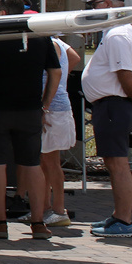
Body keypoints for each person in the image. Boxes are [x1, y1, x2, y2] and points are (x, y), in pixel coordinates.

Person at [0, 0, 59, 240]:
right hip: (30, 110)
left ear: (3, 12)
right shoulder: (41, 37)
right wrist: (45, 104)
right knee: (32, 164)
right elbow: (56, 72)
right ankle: (39, 222)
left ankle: (0, 222)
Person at [82, 0, 132, 238]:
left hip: (113, 105)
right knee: (114, 164)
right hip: (111, 105)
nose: (92, 9)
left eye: (95, 4)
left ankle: (124, 220)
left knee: (118, 164)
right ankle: (118, 216)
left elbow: (125, 74)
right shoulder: (116, 32)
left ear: (109, 5)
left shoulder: (118, 34)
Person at [32, 35, 82, 226]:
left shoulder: (49, 42)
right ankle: (43, 208)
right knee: (43, 161)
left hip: (52, 107)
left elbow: (58, 71)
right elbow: (75, 57)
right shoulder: (56, 41)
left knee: (51, 162)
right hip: (52, 105)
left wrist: (45, 105)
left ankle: (59, 210)